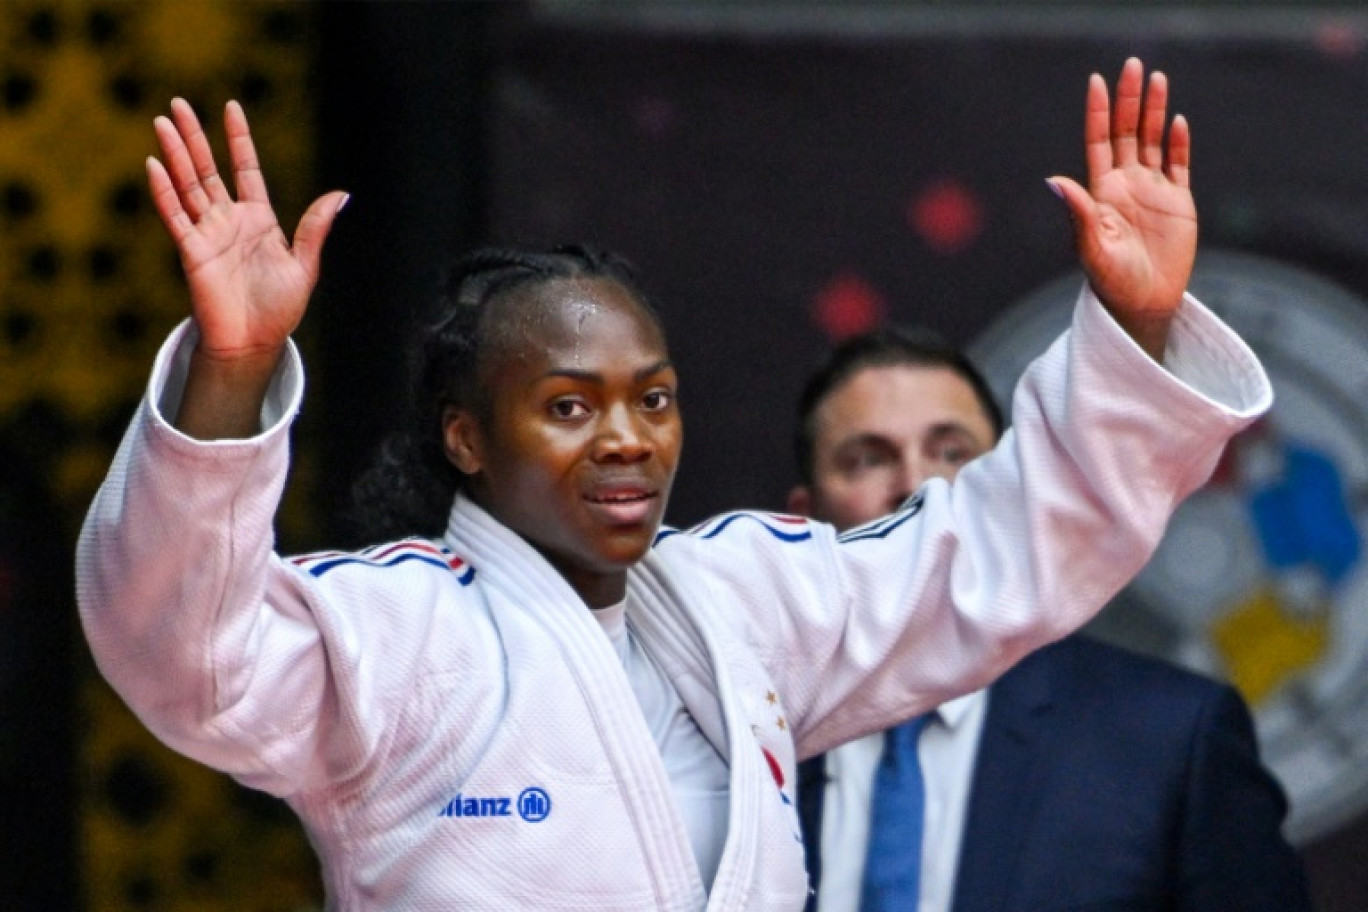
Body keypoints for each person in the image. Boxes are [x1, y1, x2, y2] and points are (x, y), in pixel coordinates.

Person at [77, 59, 1272, 909]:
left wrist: (1132, 322)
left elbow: (1004, 557)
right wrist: (230, 372)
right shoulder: (395, 631)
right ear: (464, 441)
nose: (627, 439)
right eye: (567, 406)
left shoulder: (740, 601)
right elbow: (187, 653)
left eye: (652, 398)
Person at [789, 327, 1314, 911]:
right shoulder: (733, 733)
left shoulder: (1170, 738)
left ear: (1009, 490)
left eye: (952, 452)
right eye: (866, 460)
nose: (916, 485)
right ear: (801, 522)